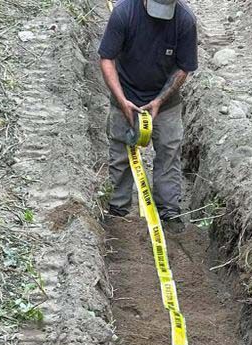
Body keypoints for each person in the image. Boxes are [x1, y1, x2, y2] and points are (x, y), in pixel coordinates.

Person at [98, 0, 198, 234]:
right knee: (121, 153)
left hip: (165, 101)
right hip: (126, 95)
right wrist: (122, 100)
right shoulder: (124, 13)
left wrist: (159, 101)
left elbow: (184, 67)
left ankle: (169, 211)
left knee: (169, 153)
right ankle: (118, 210)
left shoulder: (184, 20)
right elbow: (107, 58)